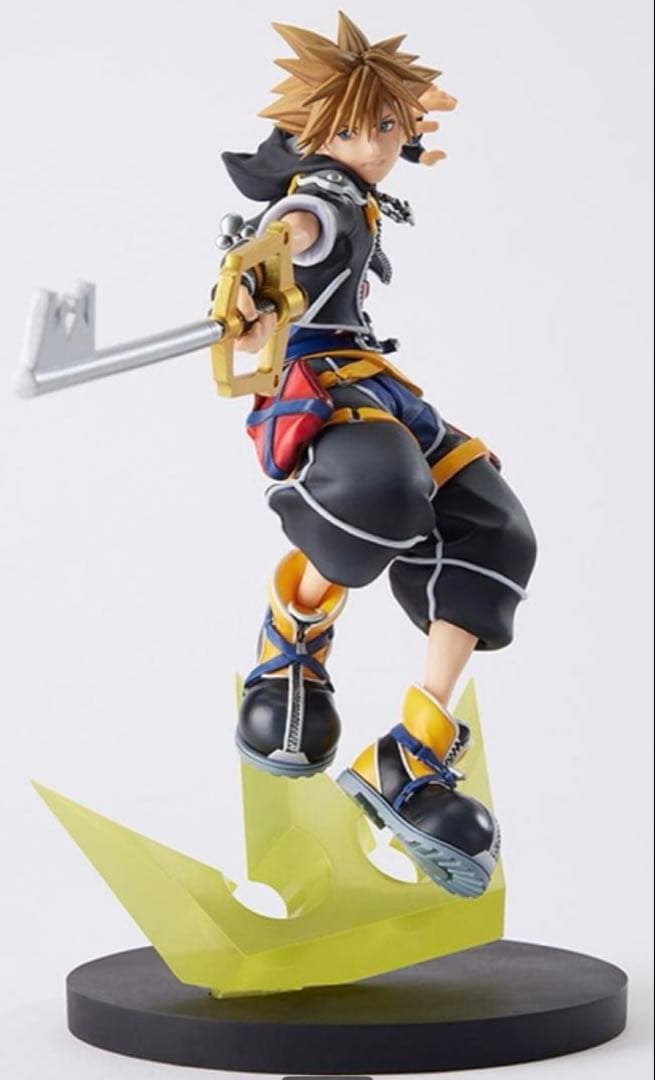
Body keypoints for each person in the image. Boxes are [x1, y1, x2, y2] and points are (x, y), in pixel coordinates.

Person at [221, 12, 537, 898]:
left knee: (492, 528)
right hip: (320, 383)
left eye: (390, 127)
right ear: (318, 131)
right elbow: (289, 232)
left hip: (379, 382)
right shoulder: (318, 197)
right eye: (359, 128)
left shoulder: (363, 194)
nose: (377, 145)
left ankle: (412, 758)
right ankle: (290, 648)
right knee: (376, 493)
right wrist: (249, 276)